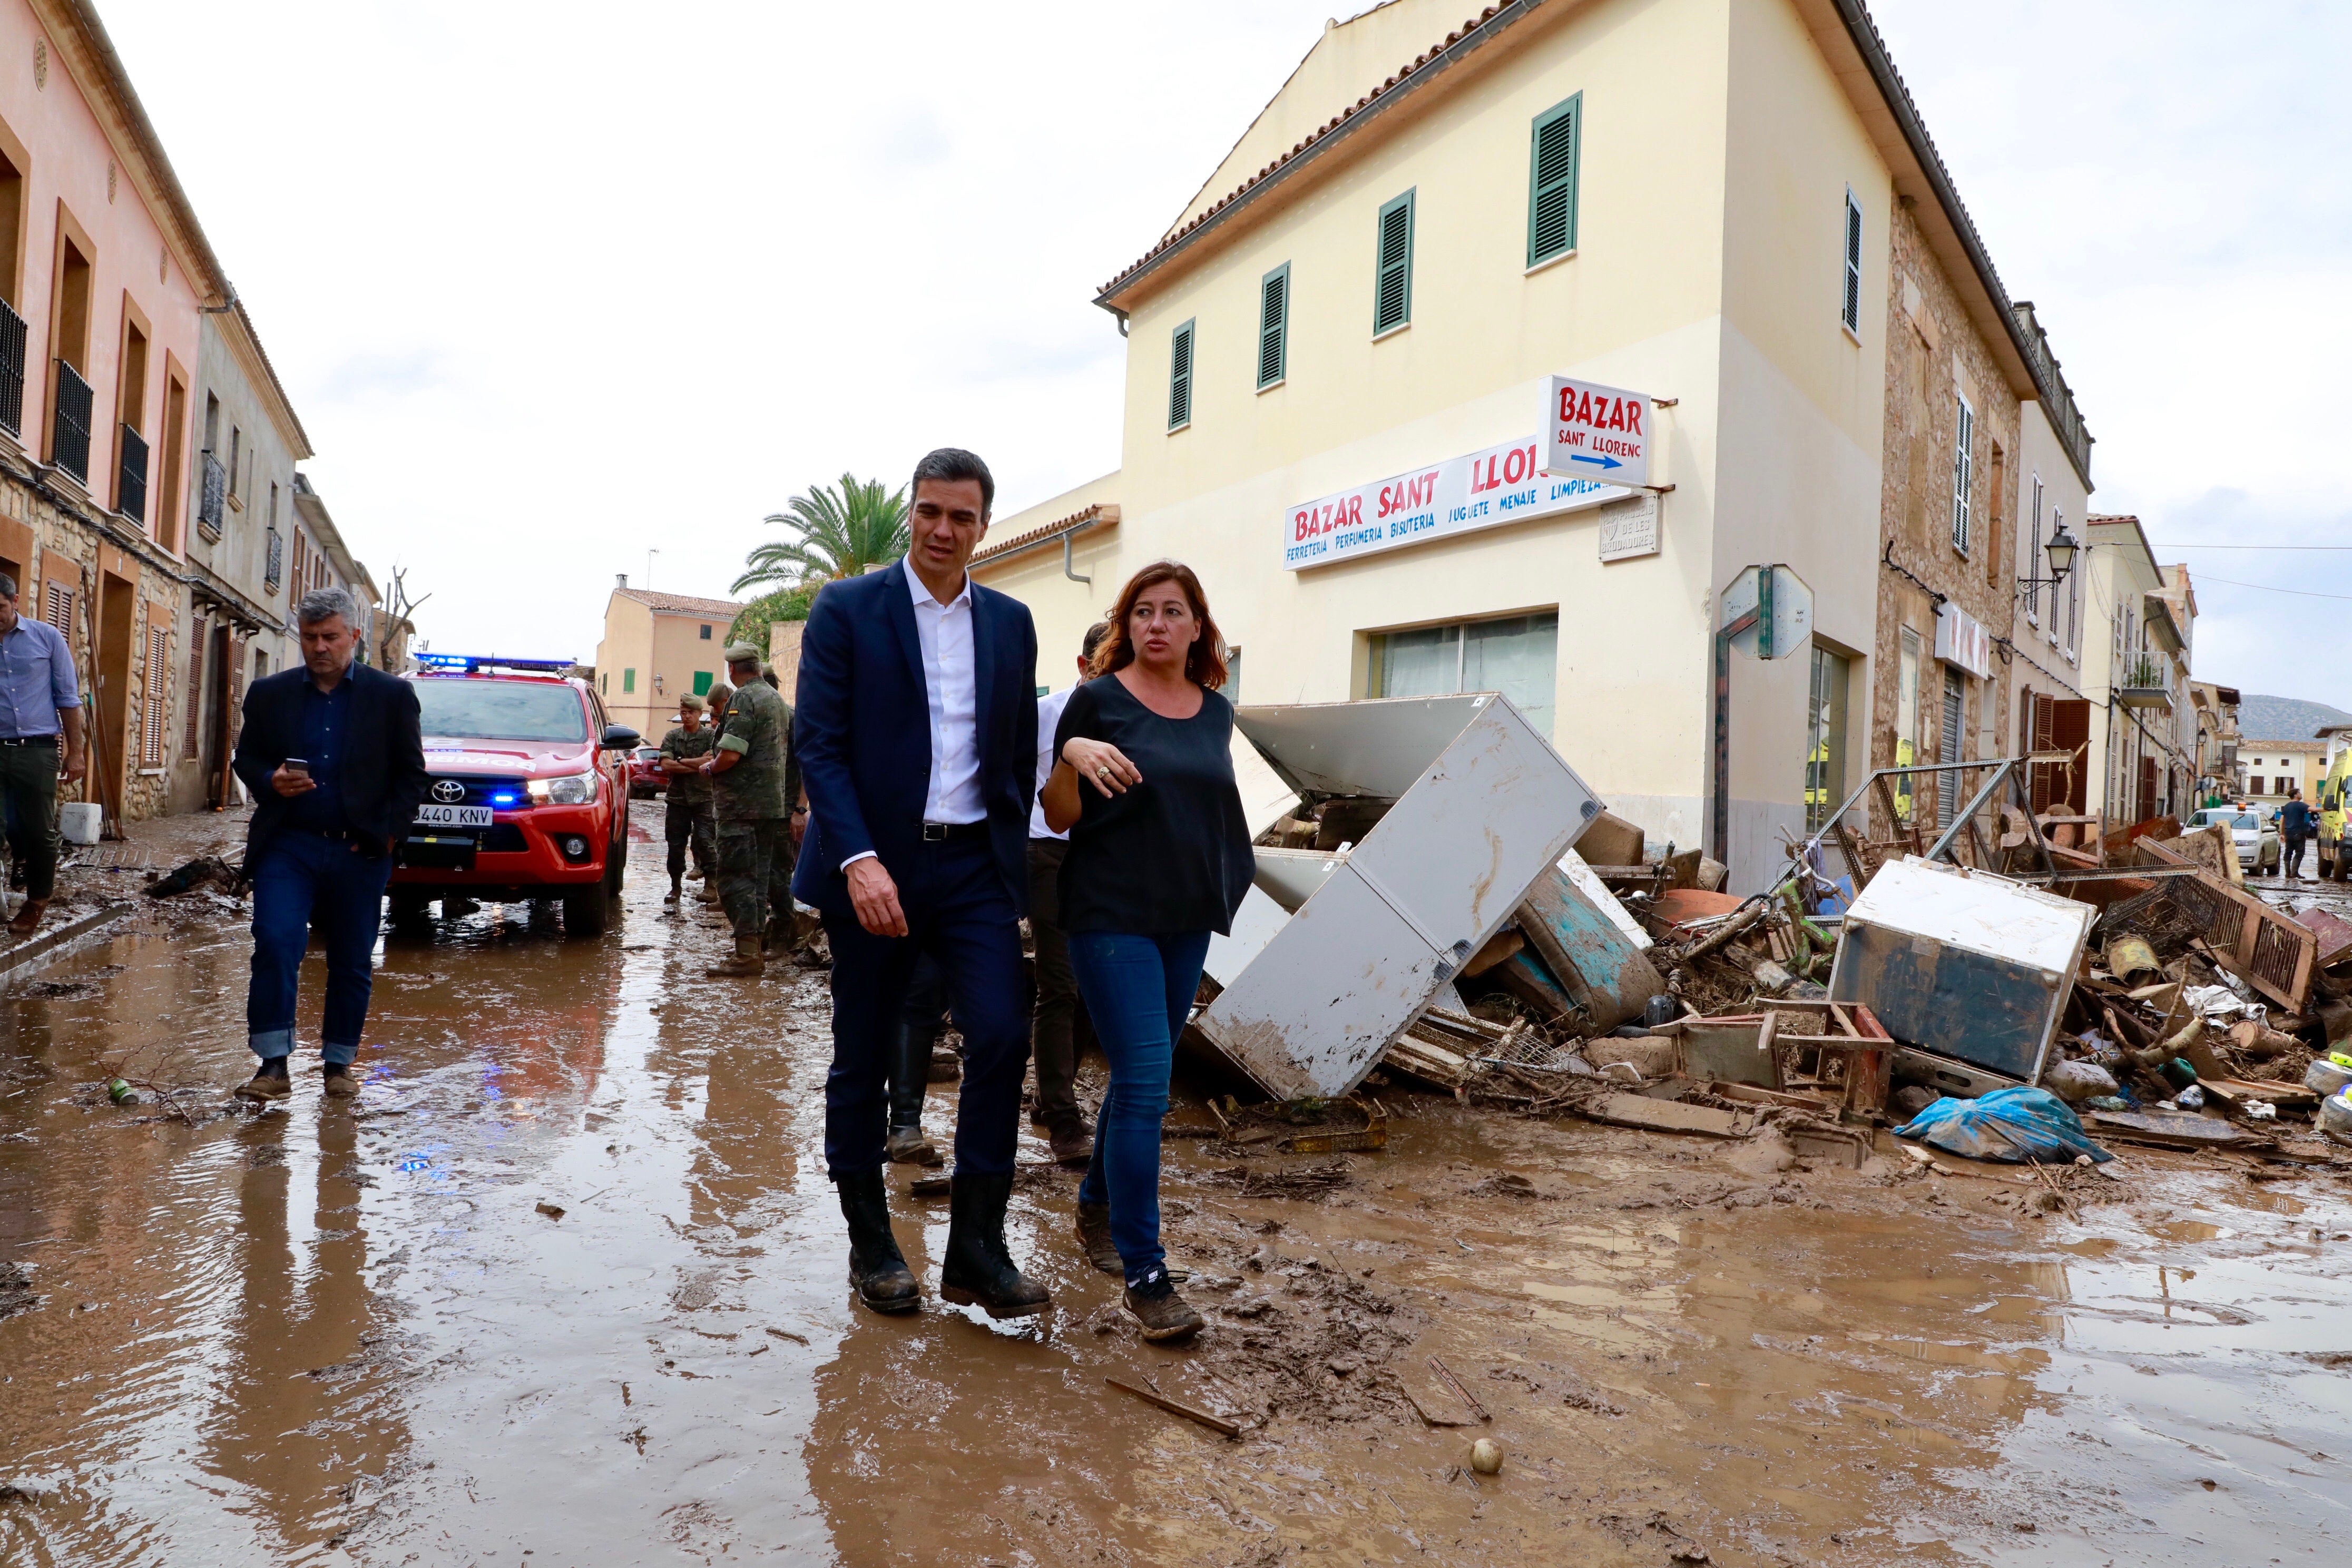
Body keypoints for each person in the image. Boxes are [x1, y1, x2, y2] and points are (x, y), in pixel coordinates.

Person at [791, 447, 1044, 1318]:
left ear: (982, 525)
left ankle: (976, 1246)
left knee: (1003, 1035)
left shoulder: (1010, 623)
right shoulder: (848, 609)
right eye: (930, 512)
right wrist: (857, 858)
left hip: (972, 865)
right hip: (875, 865)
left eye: (962, 517)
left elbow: (1013, 751)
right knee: (862, 1050)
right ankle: (871, 1238)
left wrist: (1009, 858)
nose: (943, 530)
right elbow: (817, 744)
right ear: (911, 512)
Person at [1041, 561, 1251, 1342]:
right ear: (1125, 627)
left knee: (1139, 1082)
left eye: (1174, 612)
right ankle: (1147, 1272)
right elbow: (1059, 817)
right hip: (1110, 914)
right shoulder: (1094, 702)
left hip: (1184, 917)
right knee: (1146, 1087)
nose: (1157, 624)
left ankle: (1097, 1204)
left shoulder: (1215, 713)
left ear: (1198, 627)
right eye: (1143, 613)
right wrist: (1071, 758)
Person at [230, 587, 430, 1101]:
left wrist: (389, 834)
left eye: (331, 637)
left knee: (351, 957)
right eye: (310, 637)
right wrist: (269, 780)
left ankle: (338, 1064)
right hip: (288, 844)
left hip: (359, 850)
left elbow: (412, 776)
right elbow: (246, 759)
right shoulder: (269, 695)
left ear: (355, 637)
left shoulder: (391, 697)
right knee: (276, 940)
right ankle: (273, 1065)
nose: (320, 647)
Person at [1028, 623, 1112, 1167]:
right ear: (1082, 667)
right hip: (1046, 849)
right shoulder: (1046, 715)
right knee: (1059, 983)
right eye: (1106, 669)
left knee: (1088, 986)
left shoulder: (1133, 718)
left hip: (1104, 860)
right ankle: (1062, 1117)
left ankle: (1050, 1094)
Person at [0, 572, 88, 940]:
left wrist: (77, 752)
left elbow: (68, 699)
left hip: (36, 751)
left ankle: (37, 901)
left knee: (39, 831)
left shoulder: (47, 638)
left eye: (0, 609)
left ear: (15, 601)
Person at [701, 643, 792, 976]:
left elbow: (731, 754)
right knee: (758, 878)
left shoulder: (744, 698)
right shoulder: (777, 700)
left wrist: (709, 769)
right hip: (770, 806)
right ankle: (752, 949)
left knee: (736, 878)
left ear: (733, 670)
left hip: (741, 807)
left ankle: (747, 955)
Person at [659, 694, 718, 906]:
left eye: (690, 713)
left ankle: (711, 885)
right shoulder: (673, 737)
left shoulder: (711, 737)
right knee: (675, 844)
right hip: (677, 798)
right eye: (683, 712)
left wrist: (681, 761)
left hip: (704, 798)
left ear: (699, 714)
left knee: (706, 841)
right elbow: (666, 765)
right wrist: (697, 764)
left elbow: (713, 762)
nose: (686, 716)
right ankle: (675, 887)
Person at [2280, 789, 2314, 880]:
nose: (2301, 794)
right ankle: (2294, 872)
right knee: (2299, 853)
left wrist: (2282, 833)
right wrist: (2326, 809)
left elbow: (2282, 821)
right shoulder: (2300, 805)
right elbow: (2313, 809)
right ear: (2295, 795)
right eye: (2299, 793)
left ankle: (2288, 873)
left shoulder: (2286, 806)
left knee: (2288, 853)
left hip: (2288, 833)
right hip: (2299, 832)